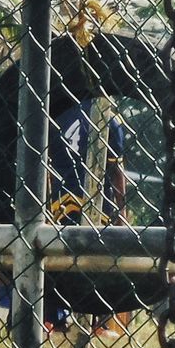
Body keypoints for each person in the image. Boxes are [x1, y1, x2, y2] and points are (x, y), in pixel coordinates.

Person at [46, 97, 130, 335]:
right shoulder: (111, 119)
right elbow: (116, 170)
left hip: (61, 199)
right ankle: (99, 322)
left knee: (56, 258)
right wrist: (120, 210)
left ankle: (53, 319)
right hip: (96, 201)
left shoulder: (59, 117)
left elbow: (47, 165)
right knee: (100, 259)